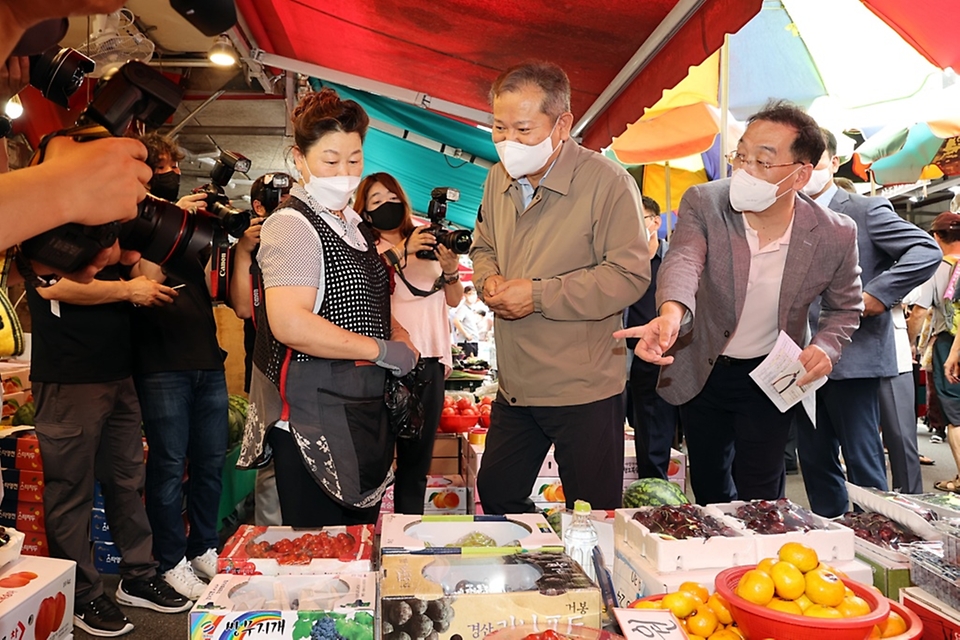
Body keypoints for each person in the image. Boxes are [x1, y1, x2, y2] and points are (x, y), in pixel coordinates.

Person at [616, 100, 863, 505]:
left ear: (800, 174)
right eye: (741, 156)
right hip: (705, 365)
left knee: (762, 488)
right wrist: (671, 313)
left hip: (771, 373)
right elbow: (683, 260)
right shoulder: (706, 202)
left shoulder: (834, 233)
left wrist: (825, 346)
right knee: (710, 484)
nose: (744, 170)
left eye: (762, 162)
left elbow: (845, 307)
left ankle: (758, 559)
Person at [470, 61, 650, 513]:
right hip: (515, 384)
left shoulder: (607, 183)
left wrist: (535, 295)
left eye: (524, 129)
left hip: (582, 386)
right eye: (498, 127)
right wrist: (487, 277)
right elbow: (483, 245)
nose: (508, 142)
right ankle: (540, 572)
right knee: (497, 494)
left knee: (592, 512)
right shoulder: (497, 178)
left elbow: (628, 275)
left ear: (563, 123)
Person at [237, 88, 418, 526]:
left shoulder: (353, 224)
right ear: (299, 160)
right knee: (323, 549)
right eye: (330, 161)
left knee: (358, 541)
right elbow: (289, 322)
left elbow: (370, 298)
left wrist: (398, 334)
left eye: (354, 160)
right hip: (312, 413)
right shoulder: (293, 225)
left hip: (358, 408)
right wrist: (379, 350)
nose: (344, 172)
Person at [24, 259, 189, 635]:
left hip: (119, 371)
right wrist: (126, 291)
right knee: (71, 490)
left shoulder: (106, 223)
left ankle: (137, 575)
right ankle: (81, 593)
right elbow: (49, 286)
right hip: (68, 374)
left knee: (127, 481)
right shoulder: (51, 219)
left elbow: (140, 273)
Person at [796, 129, 940, 516]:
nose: (806, 169)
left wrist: (876, 294)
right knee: (813, 459)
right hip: (798, 361)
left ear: (834, 161)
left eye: (815, 160)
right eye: (798, 161)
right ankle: (833, 538)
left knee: (863, 462)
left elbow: (925, 249)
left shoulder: (863, 210)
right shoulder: (786, 214)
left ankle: (878, 539)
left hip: (853, 359)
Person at [129, 133, 227, 599]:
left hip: (206, 355)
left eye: (173, 164)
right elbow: (143, 280)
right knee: (168, 466)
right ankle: (170, 560)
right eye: (160, 165)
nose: (170, 172)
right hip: (161, 362)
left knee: (210, 462)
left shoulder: (187, 219)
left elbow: (220, 284)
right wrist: (175, 227)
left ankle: (205, 545)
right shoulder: (133, 217)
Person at [354, 172, 464, 514]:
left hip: (430, 361)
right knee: (375, 461)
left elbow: (455, 299)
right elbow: (365, 286)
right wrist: (402, 251)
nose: (387, 203)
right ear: (365, 212)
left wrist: (450, 270)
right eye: (375, 201)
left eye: (391, 196)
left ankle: (408, 533)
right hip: (384, 361)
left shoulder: (426, 240)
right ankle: (366, 533)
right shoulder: (364, 246)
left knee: (416, 465)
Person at [228, 172, 292, 527]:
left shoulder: (303, 239)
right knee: (269, 459)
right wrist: (243, 251)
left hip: (308, 361)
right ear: (258, 206)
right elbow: (241, 307)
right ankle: (269, 538)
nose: (287, 205)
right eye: (278, 199)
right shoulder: (249, 248)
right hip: (266, 363)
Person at [623, 195, 679, 479]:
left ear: (656, 222)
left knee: (658, 434)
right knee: (633, 431)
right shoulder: (621, 263)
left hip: (667, 357)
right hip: (626, 356)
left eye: (639, 219)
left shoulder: (674, 261)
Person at [915, 213, 960, 494]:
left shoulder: (937, 268)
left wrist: (911, 345)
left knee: (956, 413)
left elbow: (919, 311)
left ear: (936, 237)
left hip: (951, 343)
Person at [452, 285, 483, 357]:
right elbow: (456, 321)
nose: (473, 296)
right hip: (467, 342)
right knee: (469, 363)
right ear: (465, 295)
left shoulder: (472, 309)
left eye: (474, 293)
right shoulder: (463, 309)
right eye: (470, 294)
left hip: (473, 341)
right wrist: (466, 334)